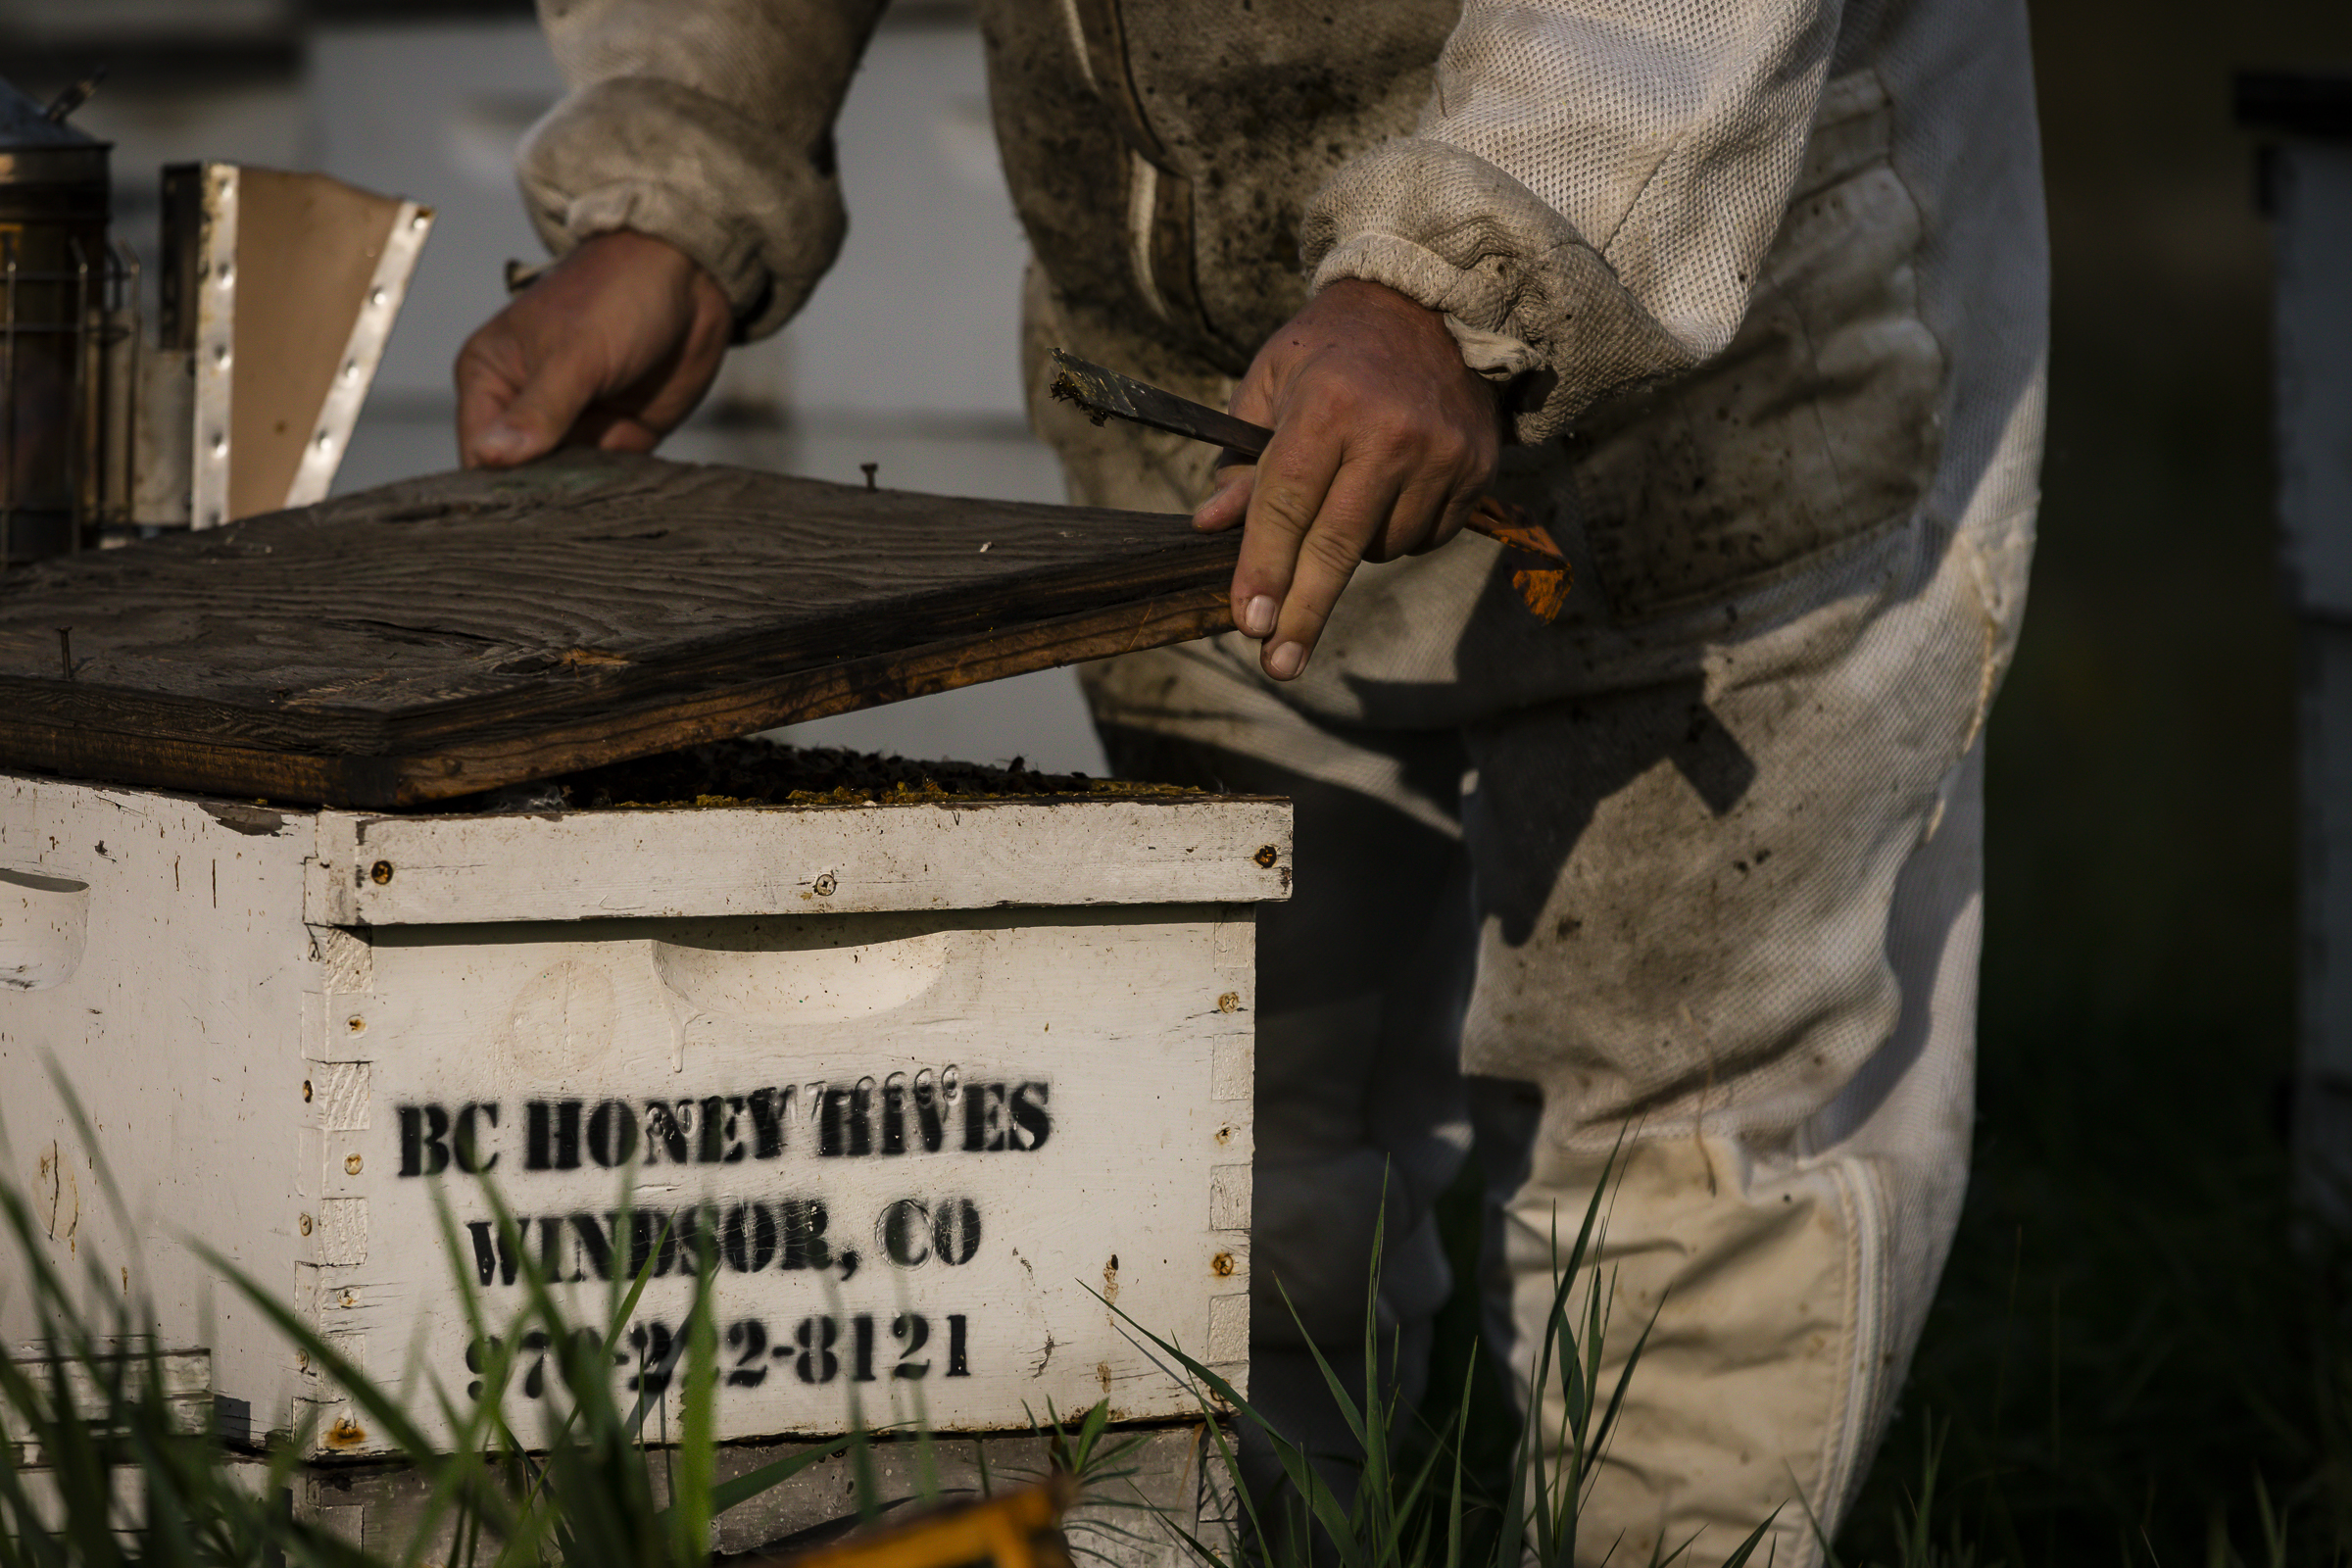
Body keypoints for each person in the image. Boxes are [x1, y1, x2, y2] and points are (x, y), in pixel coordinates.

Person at [455, 1, 2046, 1559]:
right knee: (1230, 1125)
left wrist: (1456, 279)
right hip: (1209, 390)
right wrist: (674, 170)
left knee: (1688, 1141)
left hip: (1724, 344)